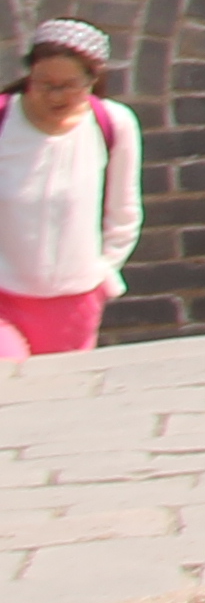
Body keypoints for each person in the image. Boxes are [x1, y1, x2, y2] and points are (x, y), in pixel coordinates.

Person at [1, 24, 142, 357]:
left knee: (53, 395)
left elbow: (124, 211)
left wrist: (105, 272)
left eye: (67, 86)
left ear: (92, 79)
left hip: (75, 298)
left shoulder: (113, 123)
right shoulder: (5, 118)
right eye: (43, 84)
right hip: (3, 290)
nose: (54, 96)